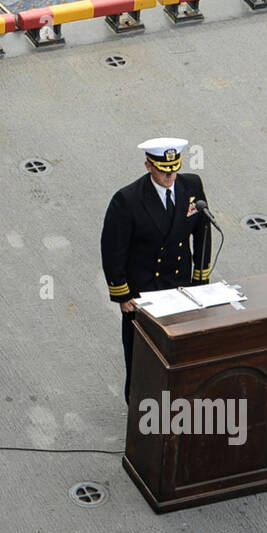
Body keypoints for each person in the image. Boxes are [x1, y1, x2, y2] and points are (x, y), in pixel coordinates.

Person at [100, 138, 212, 402]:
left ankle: (177, 403)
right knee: (142, 356)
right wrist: (122, 293)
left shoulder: (191, 186)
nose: (170, 176)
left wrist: (200, 277)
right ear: (149, 166)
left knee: (178, 351)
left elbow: (203, 231)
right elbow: (113, 248)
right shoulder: (127, 200)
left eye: (174, 169)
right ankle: (139, 408)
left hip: (180, 286)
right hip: (144, 291)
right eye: (163, 170)